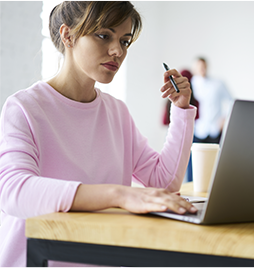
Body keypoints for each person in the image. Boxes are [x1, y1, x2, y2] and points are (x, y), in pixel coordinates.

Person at [0, 1, 197, 268]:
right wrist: (119, 195)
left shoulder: (117, 112)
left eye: (125, 41)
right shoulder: (24, 107)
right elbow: (13, 192)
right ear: (67, 36)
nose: (117, 51)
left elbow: (163, 182)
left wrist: (181, 109)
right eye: (104, 35)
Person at [191, 57, 233, 144]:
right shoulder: (190, 84)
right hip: (197, 130)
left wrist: (225, 118)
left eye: (203, 66)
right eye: (199, 66)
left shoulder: (218, 83)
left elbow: (231, 101)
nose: (201, 69)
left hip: (215, 130)